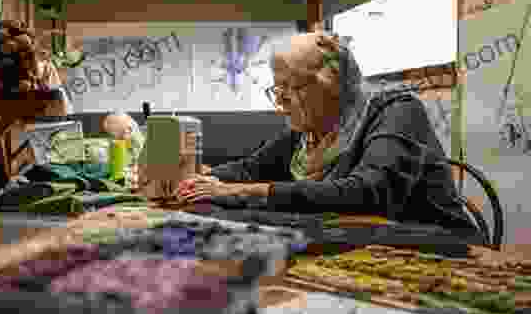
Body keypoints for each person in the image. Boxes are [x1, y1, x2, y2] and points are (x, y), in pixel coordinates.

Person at [177, 32, 480, 236]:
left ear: (331, 84)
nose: (280, 102)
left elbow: (369, 192)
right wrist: (195, 178)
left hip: (441, 247)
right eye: (276, 89)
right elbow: (249, 169)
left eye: (290, 89)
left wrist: (238, 191)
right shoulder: (308, 130)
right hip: (370, 244)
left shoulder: (397, 110)